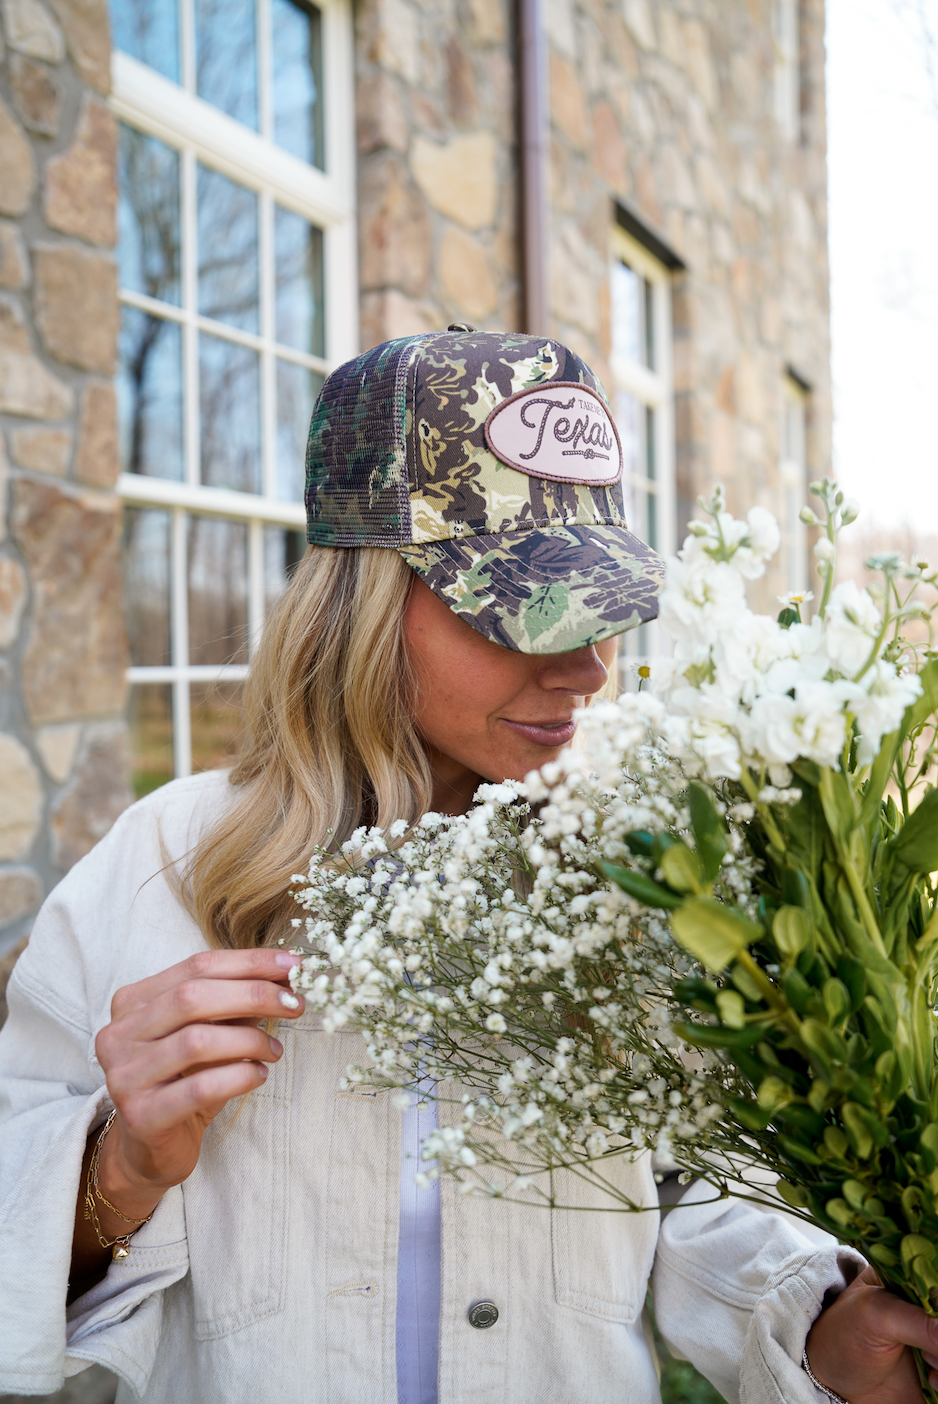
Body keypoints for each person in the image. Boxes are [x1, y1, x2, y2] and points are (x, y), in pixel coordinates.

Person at [0, 327, 936, 1404]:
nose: (583, 665)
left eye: (602, 606)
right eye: (522, 605)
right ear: (359, 604)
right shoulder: (156, 871)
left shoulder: (655, 879)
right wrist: (112, 1174)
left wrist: (813, 1321)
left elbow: (694, 1194)